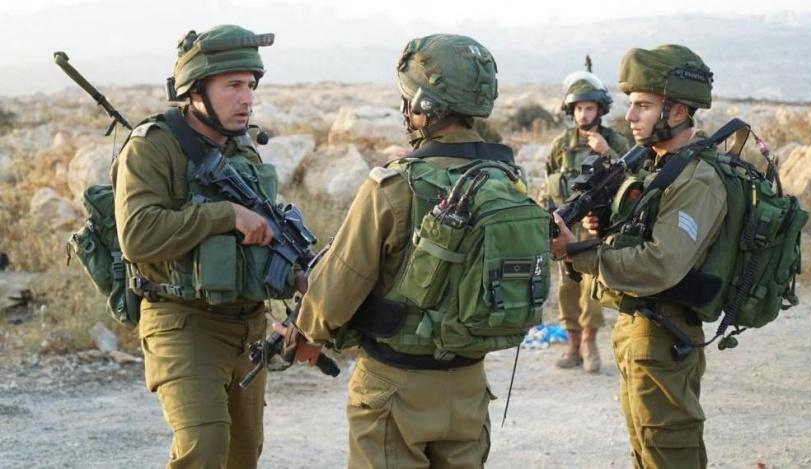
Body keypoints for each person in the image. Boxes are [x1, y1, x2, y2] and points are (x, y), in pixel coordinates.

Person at [285, 34, 514, 468]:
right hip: (469, 388)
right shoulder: (505, 181)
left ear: (424, 106)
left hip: (395, 389)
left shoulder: (393, 187)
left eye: (409, 100)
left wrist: (307, 329)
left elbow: (334, 295)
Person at [112, 25, 296, 468]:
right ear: (195, 90)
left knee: (243, 454)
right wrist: (226, 214)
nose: (246, 98)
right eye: (232, 85)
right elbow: (137, 235)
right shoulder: (152, 147)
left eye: (250, 85)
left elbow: (258, 243)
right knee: (205, 447)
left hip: (247, 323)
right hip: (182, 319)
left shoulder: (242, 152)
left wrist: (299, 275)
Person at [551, 44, 722, 468]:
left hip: (665, 334)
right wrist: (604, 228)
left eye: (643, 106)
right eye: (630, 104)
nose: (630, 116)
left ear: (677, 111)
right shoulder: (658, 166)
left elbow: (660, 264)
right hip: (639, 330)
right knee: (645, 449)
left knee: (668, 452)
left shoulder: (696, 178)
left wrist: (579, 254)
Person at [543, 71, 629, 372]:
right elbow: (549, 181)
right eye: (578, 108)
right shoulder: (561, 145)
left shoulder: (615, 140)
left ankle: (590, 342)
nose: (583, 114)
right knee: (567, 286)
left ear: (600, 110)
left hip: (595, 226)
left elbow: (633, 177)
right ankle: (573, 343)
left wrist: (606, 151)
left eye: (589, 108)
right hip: (565, 226)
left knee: (592, 286)